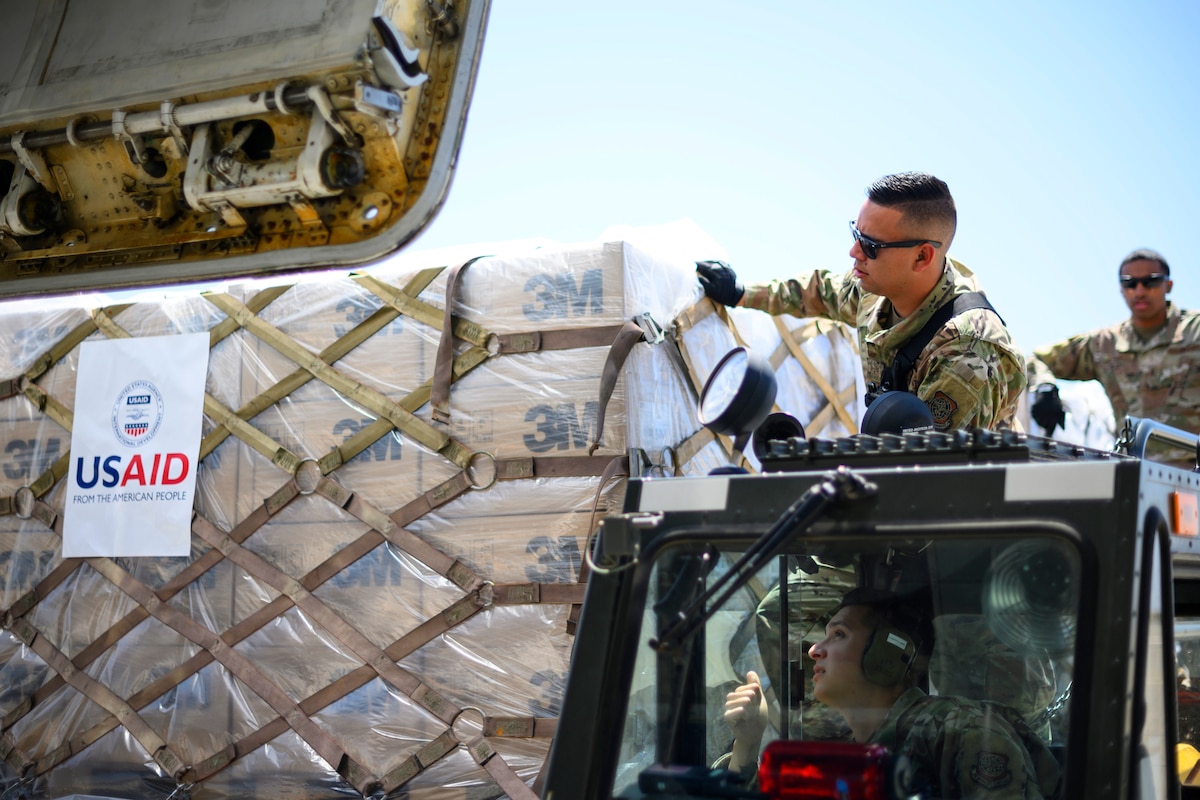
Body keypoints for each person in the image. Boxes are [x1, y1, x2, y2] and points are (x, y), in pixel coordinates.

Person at [696, 171, 1026, 432]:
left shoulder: (967, 354)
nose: (854, 253)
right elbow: (818, 291)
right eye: (856, 235)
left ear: (923, 256)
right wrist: (740, 292)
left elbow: (936, 476)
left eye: (870, 245)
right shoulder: (874, 292)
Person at [722, 588, 1062, 798]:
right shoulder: (849, 755)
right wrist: (748, 743)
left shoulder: (964, 732)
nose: (814, 650)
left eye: (838, 634)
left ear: (890, 654)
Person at [1028, 248, 1200, 445]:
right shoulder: (1104, 344)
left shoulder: (1195, 332)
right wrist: (1045, 387)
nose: (1140, 291)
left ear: (1168, 285)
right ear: (1121, 289)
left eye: (1150, 281)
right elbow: (1036, 358)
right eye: (1130, 283)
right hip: (1134, 468)